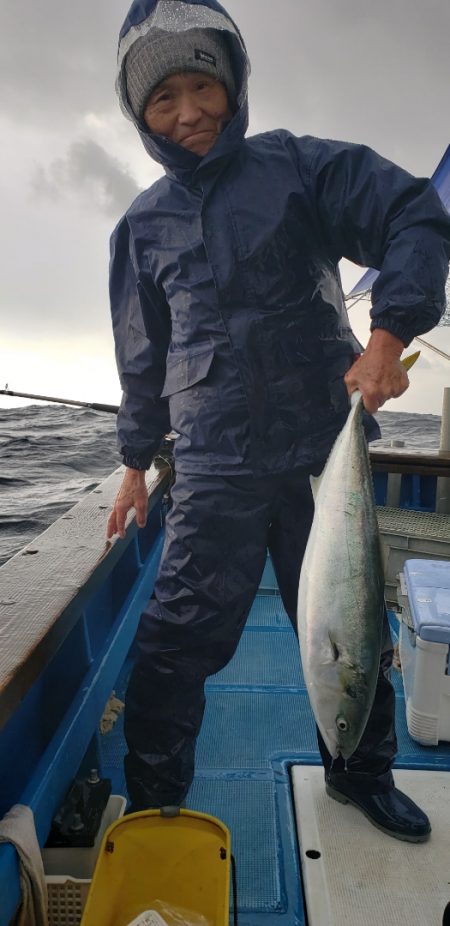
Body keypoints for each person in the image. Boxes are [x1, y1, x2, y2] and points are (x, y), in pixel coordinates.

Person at [107, 0, 450, 842]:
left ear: (233, 84)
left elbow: (414, 213)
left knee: (350, 629)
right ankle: (156, 805)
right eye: (163, 99)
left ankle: (358, 774)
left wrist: (388, 333)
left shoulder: (297, 168)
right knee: (169, 649)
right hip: (215, 470)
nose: (187, 111)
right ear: (140, 115)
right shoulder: (140, 228)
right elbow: (142, 359)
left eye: (202, 86)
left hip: (316, 459)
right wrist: (130, 461)